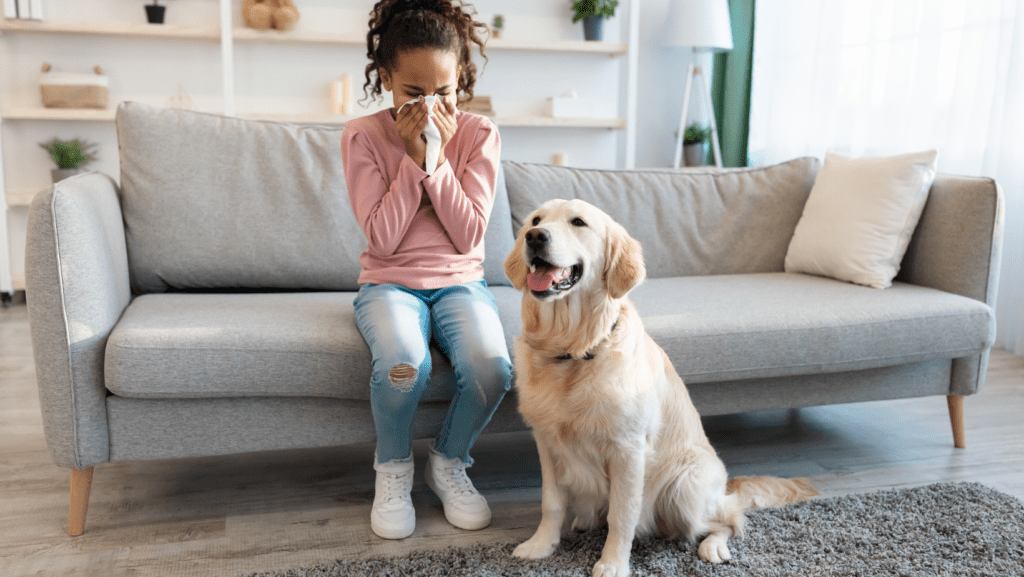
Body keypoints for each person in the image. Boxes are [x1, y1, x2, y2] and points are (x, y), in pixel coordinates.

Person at [341, 0, 511, 540]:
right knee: (403, 365)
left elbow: (469, 234)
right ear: (386, 79)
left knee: (493, 368)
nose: (431, 106)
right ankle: (393, 470)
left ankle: (449, 461)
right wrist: (412, 160)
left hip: (460, 282)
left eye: (444, 92)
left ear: (460, 77)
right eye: (413, 93)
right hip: (389, 283)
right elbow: (383, 238)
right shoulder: (363, 135)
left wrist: (434, 163)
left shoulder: (479, 134)